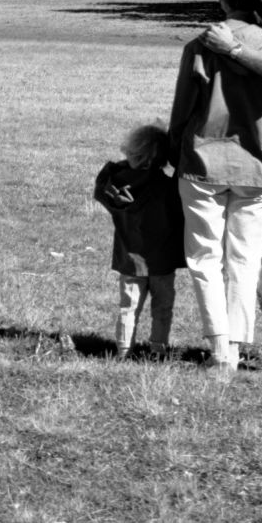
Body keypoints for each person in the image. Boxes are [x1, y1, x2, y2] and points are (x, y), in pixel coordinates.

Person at [163, 0, 262, 372]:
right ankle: (236, 346)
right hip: (258, 164)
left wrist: (172, 152)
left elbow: (182, 111)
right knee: (245, 258)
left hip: (202, 160)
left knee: (204, 258)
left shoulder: (201, 45)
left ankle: (219, 346)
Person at [93, 122, 182, 359]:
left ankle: (123, 350)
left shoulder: (115, 184)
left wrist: (120, 167)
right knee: (162, 308)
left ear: (132, 153)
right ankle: (158, 350)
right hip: (162, 260)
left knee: (128, 307)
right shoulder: (167, 187)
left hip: (129, 259)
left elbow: (101, 187)